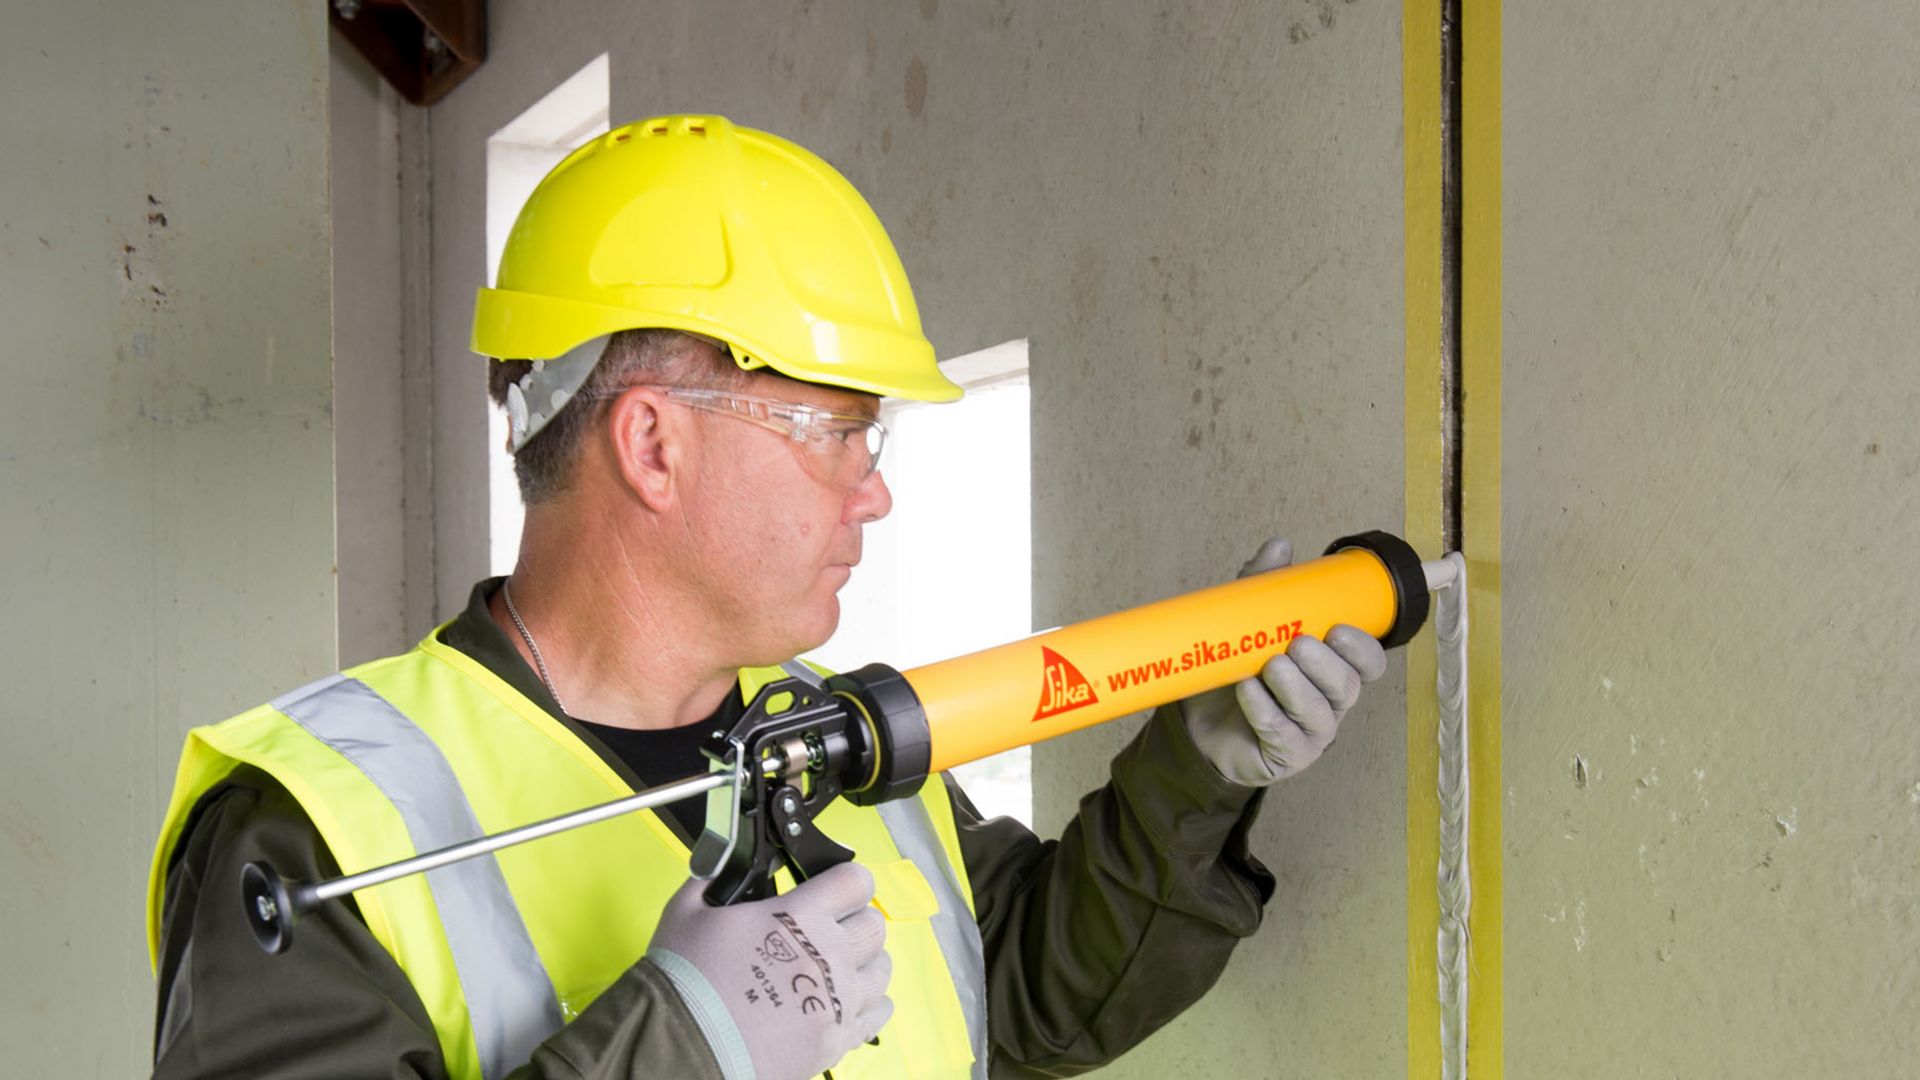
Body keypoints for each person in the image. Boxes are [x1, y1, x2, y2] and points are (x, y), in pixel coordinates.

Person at [147, 114, 1387, 1080]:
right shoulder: (323, 829)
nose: (872, 495)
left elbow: (1033, 993)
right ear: (652, 446)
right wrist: (682, 1043)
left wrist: (1207, 764)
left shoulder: (830, 742)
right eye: (838, 432)